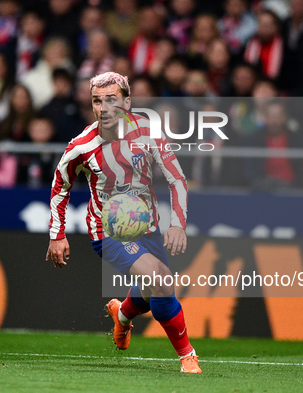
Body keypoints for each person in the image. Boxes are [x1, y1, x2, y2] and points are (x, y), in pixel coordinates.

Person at [45, 72, 201, 373]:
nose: (103, 108)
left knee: (149, 290)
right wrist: (57, 234)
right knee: (161, 279)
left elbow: (177, 179)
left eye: (111, 100)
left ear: (127, 102)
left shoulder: (149, 132)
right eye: (96, 101)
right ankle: (187, 356)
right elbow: (59, 186)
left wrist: (177, 224)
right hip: (107, 230)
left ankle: (123, 316)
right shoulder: (81, 145)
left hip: (148, 226)